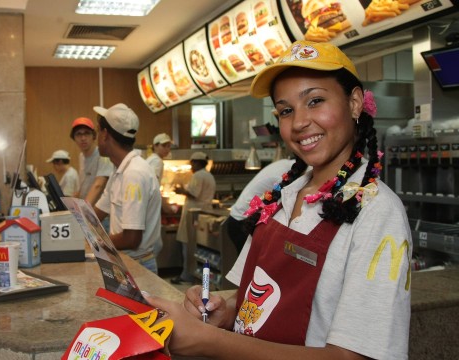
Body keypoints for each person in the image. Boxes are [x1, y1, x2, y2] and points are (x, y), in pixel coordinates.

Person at [145, 41, 412, 360]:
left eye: (315, 101)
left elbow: (353, 356)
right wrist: (224, 314)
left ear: (355, 103)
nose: (299, 122)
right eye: (286, 110)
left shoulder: (377, 212)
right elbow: (250, 303)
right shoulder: (279, 198)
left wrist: (208, 340)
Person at [92, 103, 162, 274]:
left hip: (138, 266)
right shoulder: (119, 170)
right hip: (125, 261)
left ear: (105, 135)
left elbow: (132, 239)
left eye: (98, 131)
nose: (96, 137)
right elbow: (97, 213)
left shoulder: (134, 174)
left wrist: (96, 243)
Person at [226, 158, 296, 253]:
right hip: (242, 223)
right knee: (249, 265)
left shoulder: (284, 164)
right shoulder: (284, 174)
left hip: (238, 220)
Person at [171, 151, 216, 285]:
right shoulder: (209, 175)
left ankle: (187, 275)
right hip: (205, 215)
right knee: (200, 247)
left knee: (188, 245)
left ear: (196, 162)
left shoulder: (198, 175)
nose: (191, 166)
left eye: (192, 163)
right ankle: (197, 275)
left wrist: (180, 191)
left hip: (194, 216)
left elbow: (194, 193)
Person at [70, 117, 114, 206]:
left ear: (94, 136)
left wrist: (84, 209)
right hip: (89, 207)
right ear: (74, 138)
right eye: (78, 134)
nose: (83, 138)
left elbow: (99, 184)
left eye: (87, 133)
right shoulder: (81, 156)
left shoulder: (103, 156)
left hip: (102, 213)